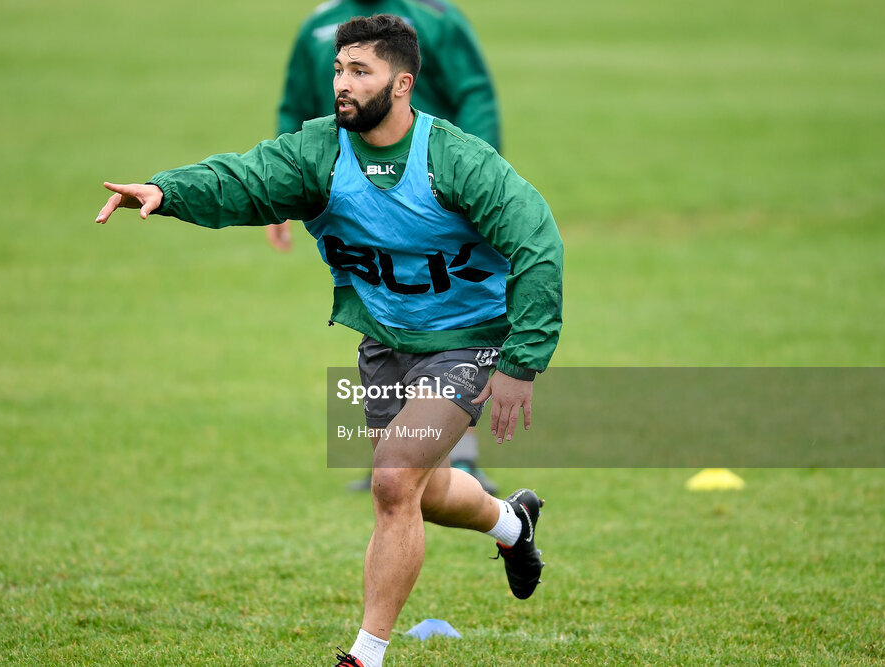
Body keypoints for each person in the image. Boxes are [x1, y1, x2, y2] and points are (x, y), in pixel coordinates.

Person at [95, 15, 562, 666]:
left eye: (360, 72)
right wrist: (169, 190)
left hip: (467, 339)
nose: (341, 83)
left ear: (401, 85)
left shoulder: (454, 158)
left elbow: (537, 242)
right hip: (383, 341)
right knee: (417, 489)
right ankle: (514, 524)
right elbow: (245, 180)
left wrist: (523, 360)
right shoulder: (320, 151)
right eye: (339, 69)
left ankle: (364, 655)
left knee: (394, 480)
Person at [271, 0, 504, 494]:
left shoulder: (434, 18)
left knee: (448, 314)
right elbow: (293, 106)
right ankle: (407, 465)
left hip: (436, 193)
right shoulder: (319, 24)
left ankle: (459, 459)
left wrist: (477, 183)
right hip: (359, 194)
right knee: (390, 314)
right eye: (342, 70)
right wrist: (284, 191)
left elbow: (475, 93)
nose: (344, 78)